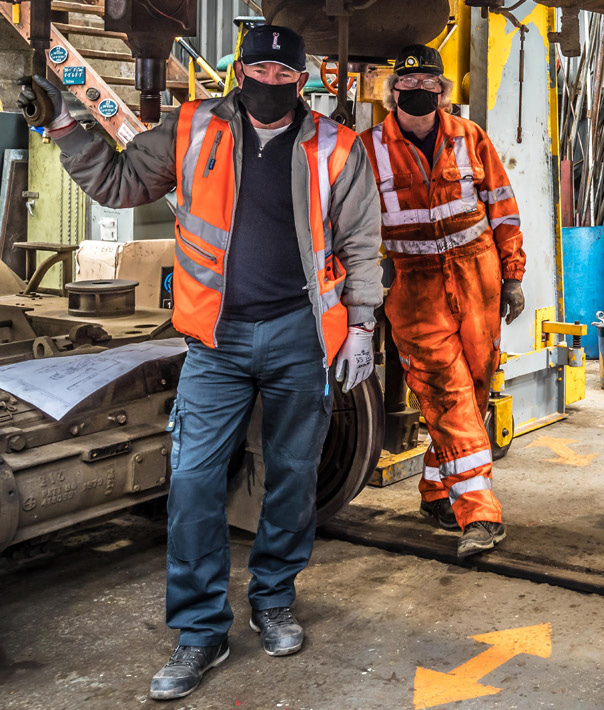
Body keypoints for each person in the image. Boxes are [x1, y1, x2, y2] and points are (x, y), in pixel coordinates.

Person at [19, 25, 382, 700]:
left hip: (302, 335)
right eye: (260, 72)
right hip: (215, 342)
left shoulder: (336, 145)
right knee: (191, 480)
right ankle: (200, 631)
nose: (270, 85)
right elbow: (122, 183)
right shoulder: (190, 128)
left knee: (293, 478)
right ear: (237, 72)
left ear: (303, 83)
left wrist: (360, 325)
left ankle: (273, 598)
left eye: (285, 76)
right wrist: (66, 126)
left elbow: (361, 239)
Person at [362, 44, 526, 558]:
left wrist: (514, 277)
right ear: (393, 93)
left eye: (427, 85)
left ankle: (437, 488)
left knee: (474, 388)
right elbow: (349, 225)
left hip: (479, 276)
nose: (417, 93)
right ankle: (480, 512)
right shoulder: (367, 148)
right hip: (414, 287)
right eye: (406, 86)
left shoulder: (471, 138)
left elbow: (502, 208)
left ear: (441, 91)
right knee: (447, 393)